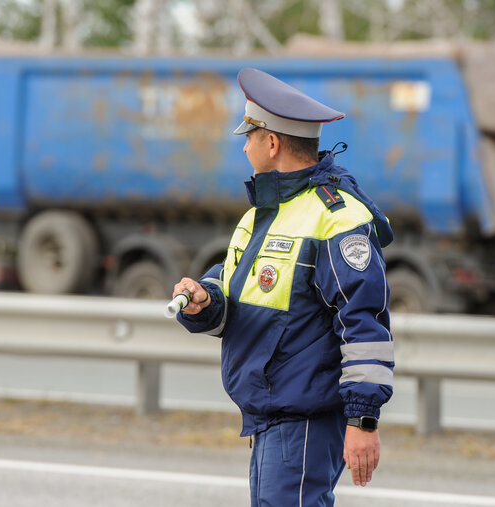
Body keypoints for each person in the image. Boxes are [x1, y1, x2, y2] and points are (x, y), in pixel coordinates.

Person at [173, 67, 394, 506]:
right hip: (271, 416)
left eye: (249, 136)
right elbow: (244, 299)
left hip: (305, 421)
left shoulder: (336, 217)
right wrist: (204, 301)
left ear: (271, 143)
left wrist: (363, 420)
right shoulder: (264, 212)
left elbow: (364, 326)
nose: (243, 145)